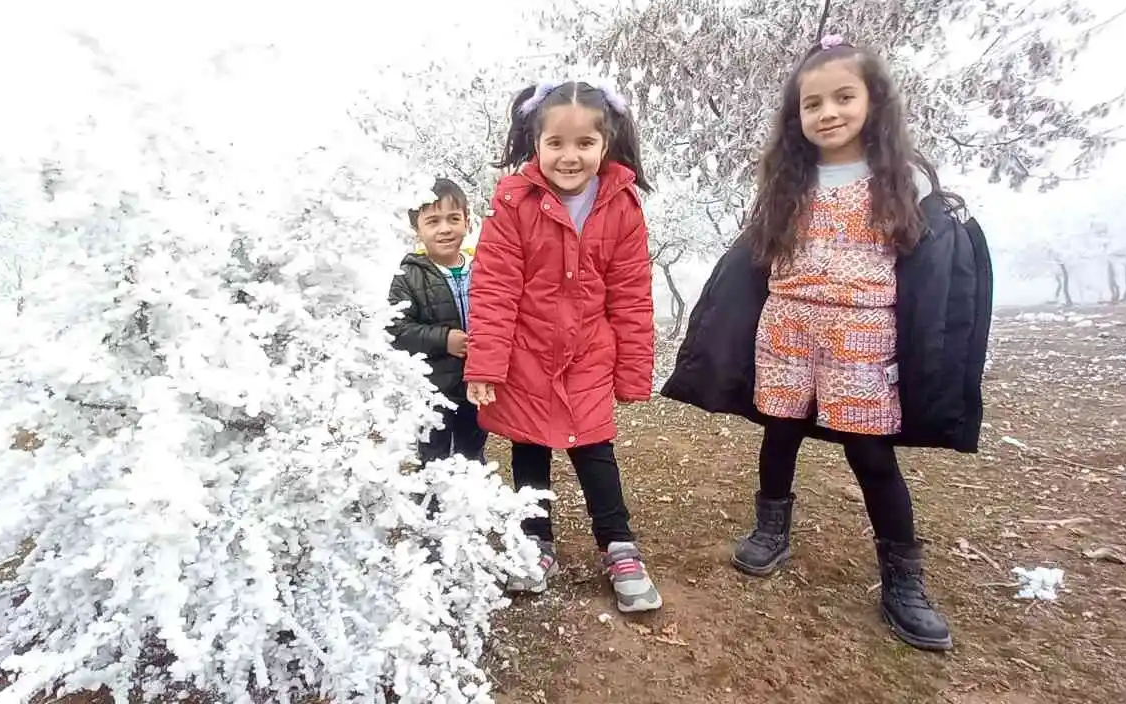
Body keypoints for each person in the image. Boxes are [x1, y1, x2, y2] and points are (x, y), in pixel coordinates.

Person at [662, 35, 993, 650]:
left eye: (844, 97)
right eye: (812, 103)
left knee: (870, 454)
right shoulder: (790, 181)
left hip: (864, 334)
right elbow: (756, 260)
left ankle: (903, 579)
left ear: (875, 102)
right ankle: (771, 529)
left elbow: (932, 266)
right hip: (786, 328)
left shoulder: (905, 179)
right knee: (779, 432)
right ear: (797, 116)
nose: (829, 113)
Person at [463, 80, 662, 613]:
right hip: (526, 354)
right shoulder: (513, 202)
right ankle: (535, 542)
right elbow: (494, 288)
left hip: (588, 355)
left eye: (583, 144)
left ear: (605, 144)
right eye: (556, 143)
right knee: (529, 448)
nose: (569, 156)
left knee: (595, 450)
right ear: (536, 142)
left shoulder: (621, 206)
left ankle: (618, 545)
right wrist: (486, 364)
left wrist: (632, 371)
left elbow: (631, 294)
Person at [389, 178, 488, 467]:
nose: (445, 229)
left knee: (472, 453)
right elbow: (395, 329)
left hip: (476, 383)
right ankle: (432, 510)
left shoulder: (482, 269)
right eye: (433, 221)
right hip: (432, 390)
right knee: (433, 459)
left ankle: (473, 505)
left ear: (467, 222)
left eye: (453, 219)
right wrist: (443, 339)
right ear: (417, 229)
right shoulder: (408, 276)